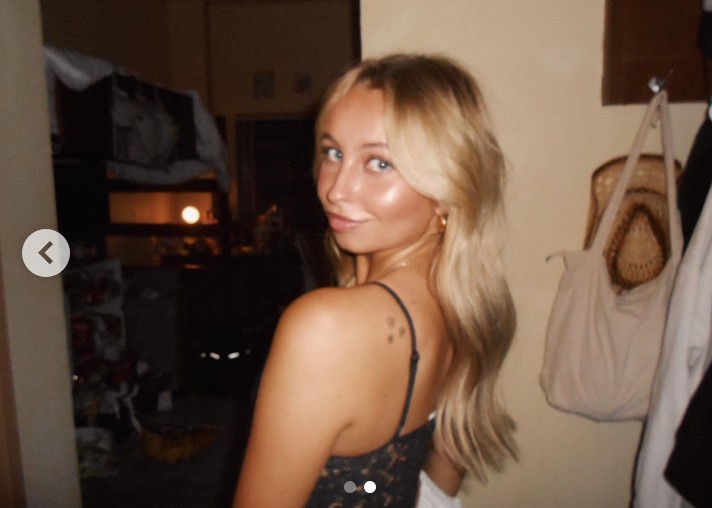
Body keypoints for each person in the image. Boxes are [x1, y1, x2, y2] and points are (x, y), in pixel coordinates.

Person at [233, 53, 517, 507]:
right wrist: (360, 489)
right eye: (333, 153)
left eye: (379, 163)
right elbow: (436, 485)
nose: (335, 189)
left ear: (448, 188)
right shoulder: (463, 300)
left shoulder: (326, 327)